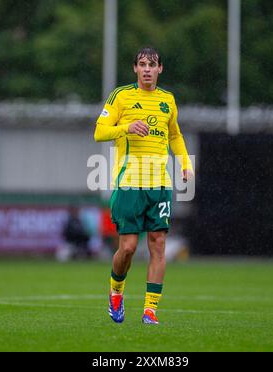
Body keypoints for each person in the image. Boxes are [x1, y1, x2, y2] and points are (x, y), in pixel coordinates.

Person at [94, 46, 193, 324]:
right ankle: (116, 292)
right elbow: (99, 132)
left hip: (159, 184)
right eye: (142, 64)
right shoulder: (121, 96)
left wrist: (185, 162)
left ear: (160, 69)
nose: (147, 69)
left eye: (152, 64)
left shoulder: (168, 100)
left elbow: (175, 135)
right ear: (135, 69)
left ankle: (150, 310)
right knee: (127, 248)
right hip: (129, 183)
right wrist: (126, 127)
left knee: (158, 243)